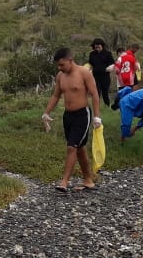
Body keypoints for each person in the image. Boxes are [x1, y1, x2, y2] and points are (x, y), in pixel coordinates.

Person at [42, 47, 102, 192]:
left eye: (62, 64)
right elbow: (56, 95)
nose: (59, 67)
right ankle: (88, 179)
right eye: (58, 65)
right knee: (79, 148)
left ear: (70, 60)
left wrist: (97, 116)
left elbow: (94, 94)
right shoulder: (60, 76)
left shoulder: (84, 73)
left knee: (71, 147)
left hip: (82, 115)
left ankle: (64, 182)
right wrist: (46, 112)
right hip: (67, 116)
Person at [87, 38, 115, 107]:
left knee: (105, 92)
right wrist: (88, 70)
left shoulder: (108, 54)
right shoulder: (92, 54)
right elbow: (90, 63)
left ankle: (107, 106)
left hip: (105, 76)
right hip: (95, 76)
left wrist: (108, 69)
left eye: (99, 47)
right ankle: (97, 106)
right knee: (96, 92)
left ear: (102, 46)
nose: (97, 48)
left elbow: (112, 63)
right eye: (96, 47)